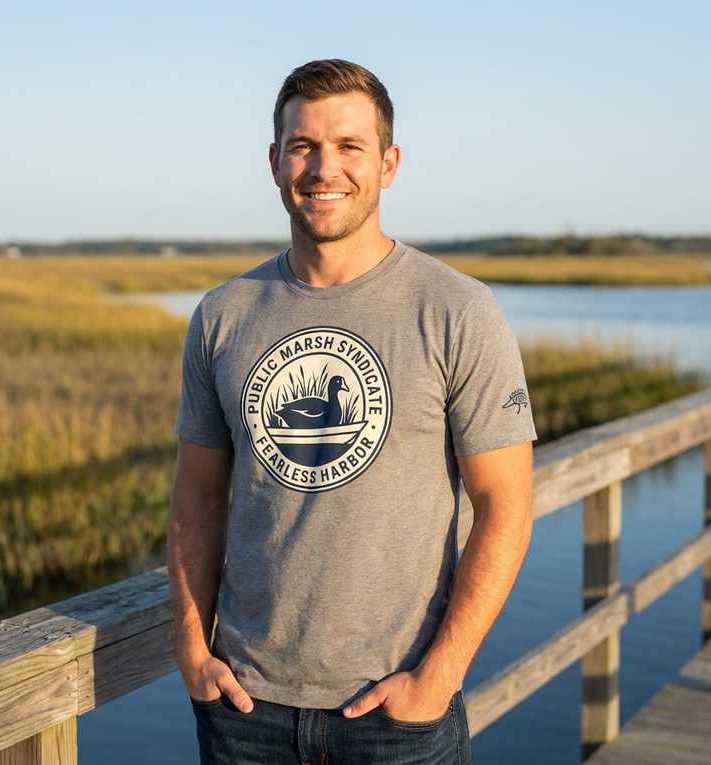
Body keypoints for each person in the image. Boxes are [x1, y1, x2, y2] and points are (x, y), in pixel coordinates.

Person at [168, 59, 536, 765]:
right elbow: (199, 496)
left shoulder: (458, 309)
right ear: (275, 161)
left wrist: (439, 676)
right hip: (245, 709)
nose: (322, 167)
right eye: (303, 145)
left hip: (397, 715)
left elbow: (505, 506)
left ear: (388, 163)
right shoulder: (222, 315)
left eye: (349, 147)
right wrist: (191, 644)